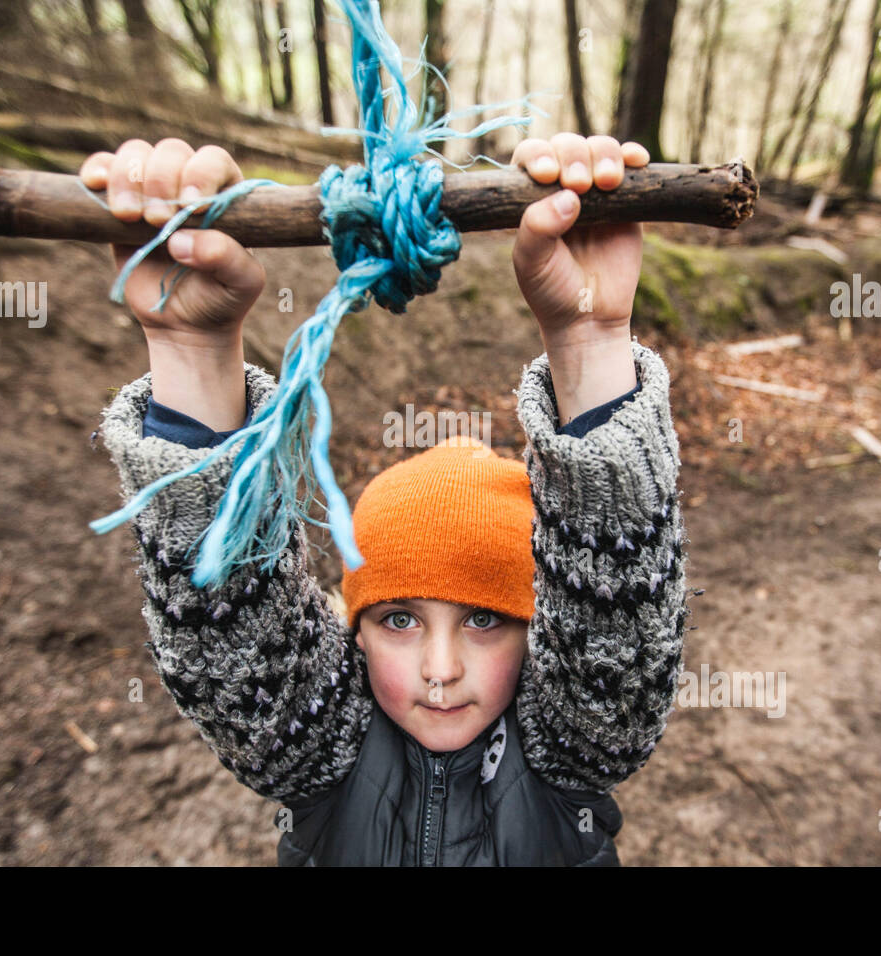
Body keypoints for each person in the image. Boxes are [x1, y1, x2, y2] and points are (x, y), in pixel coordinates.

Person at [81, 132, 690, 865]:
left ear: (545, 627)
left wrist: (590, 339)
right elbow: (224, 628)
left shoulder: (569, 751)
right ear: (351, 629)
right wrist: (191, 353)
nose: (440, 670)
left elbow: (618, 613)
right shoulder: (320, 746)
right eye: (400, 619)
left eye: (486, 620)